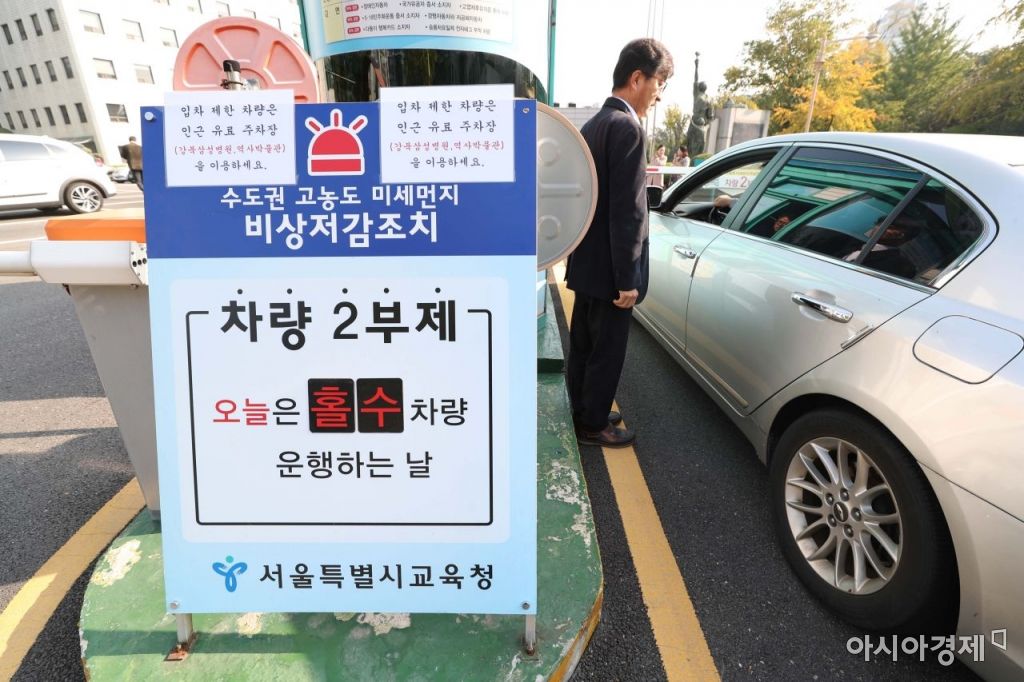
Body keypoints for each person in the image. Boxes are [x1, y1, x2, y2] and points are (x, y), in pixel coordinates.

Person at [565, 37, 674, 448]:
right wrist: (628, 278)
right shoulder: (627, 128)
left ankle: (582, 410)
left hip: (587, 263)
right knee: (606, 351)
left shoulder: (594, 125)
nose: (659, 94)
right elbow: (628, 211)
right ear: (637, 78)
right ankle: (594, 425)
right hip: (612, 271)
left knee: (584, 346)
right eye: (659, 83)